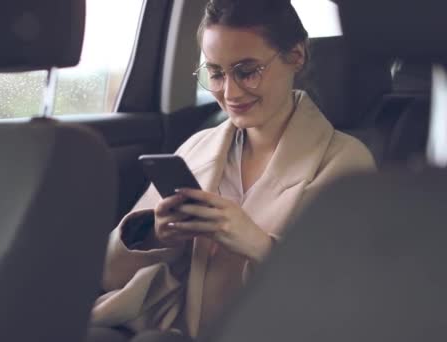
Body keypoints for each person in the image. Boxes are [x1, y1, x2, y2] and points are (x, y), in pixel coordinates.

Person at [89, 0, 376, 340]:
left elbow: (345, 299)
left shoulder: (347, 163)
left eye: (247, 70)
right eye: (216, 73)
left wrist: (256, 243)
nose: (230, 92)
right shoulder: (197, 147)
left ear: (296, 56)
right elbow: (109, 276)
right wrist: (155, 236)